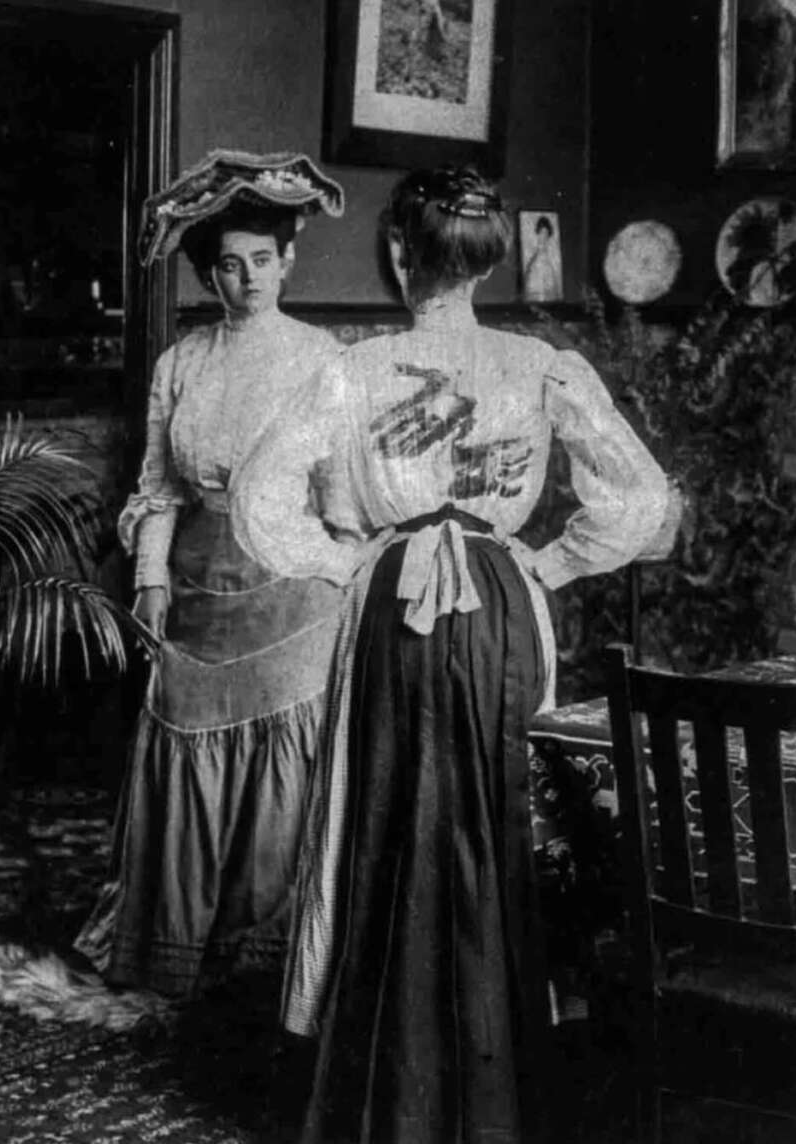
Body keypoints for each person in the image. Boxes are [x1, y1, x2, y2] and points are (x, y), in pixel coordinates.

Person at [231, 165, 670, 1143]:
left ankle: (387, 1083)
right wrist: (549, 561)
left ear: (397, 255)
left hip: (392, 611)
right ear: (487, 259)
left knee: (385, 818)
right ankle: (499, 1080)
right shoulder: (543, 364)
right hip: (503, 610)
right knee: (497, 818)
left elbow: (259, 500)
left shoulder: (350, 368)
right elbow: (641, 500)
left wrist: (346, 558)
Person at [74, 150, 348, 1000]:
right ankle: (176, 950)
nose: (249, 279)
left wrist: (345, 578)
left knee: (286, 767)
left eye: (264, 260)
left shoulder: (322, 358)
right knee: (185, 746)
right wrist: (150, 577)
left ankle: (265, 952)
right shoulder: (181, 363)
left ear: (288, 261)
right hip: (196, 586)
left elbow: (339, 499)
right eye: (230, 265)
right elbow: (157, 486)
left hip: (296, 590)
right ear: (208, 273)